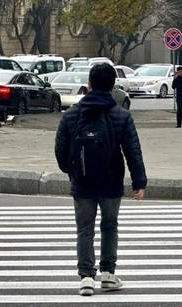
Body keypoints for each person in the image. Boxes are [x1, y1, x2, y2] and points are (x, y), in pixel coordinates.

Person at [54, 63, 147, 297]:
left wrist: (72, 171)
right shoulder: (121, 115)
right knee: (109, 226)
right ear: (113, 85)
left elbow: (60, 150)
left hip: (82, 183)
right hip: (111, 182)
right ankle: (107, 274)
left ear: (89, 84)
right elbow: (132, 151)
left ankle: (86, 277)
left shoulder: (72, 115)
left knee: (84, 229)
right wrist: (139, 182)